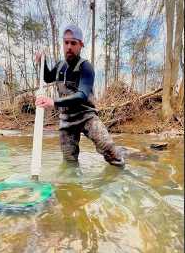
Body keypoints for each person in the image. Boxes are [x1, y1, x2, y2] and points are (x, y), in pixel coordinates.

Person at [35, 25, 124, 167]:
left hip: (87, 116)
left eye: (73, 43)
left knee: (110, 151)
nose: (69, 46)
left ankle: (121, 172)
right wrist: (42, 62)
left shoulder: (86, 67)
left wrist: (53, 102)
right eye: (66, 42)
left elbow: (82, 95)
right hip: (67, 121)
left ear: (80, 45)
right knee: (69, 162)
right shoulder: (59, 66)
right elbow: (47, 77)